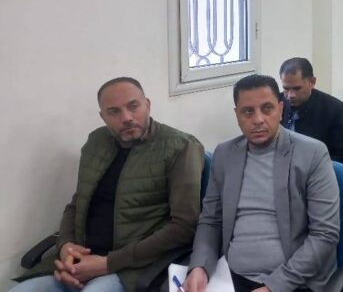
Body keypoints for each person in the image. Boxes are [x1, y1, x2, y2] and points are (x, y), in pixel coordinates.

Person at [13, 78, 204, 292]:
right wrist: (66, 247)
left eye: (133, 106)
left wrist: (107, 263)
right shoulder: (96, 142)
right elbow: (77, 204)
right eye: (114, 112)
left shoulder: (180, 147)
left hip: (130, 268)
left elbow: (184, 226)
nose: (127, 118)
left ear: (147, 105)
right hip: (79, 261)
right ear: (103, 116)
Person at [183, 74, 339, 292]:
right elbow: (211, 220)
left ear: (280, 109)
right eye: (248, 112)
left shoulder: (312, 153)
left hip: (293, 281)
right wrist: (200, 266)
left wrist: (273, 287)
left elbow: (324, 235)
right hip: (230, 278)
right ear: (237, 115)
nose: (258, 119)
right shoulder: (225, 154)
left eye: (267, 109)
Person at [279, 57, 343, 161]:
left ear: (312, 82)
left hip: (318, 166)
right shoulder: (275, 103)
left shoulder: (336, 110)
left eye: (297, 88)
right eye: (286, 88)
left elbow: (341, 156)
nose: (290, 95)